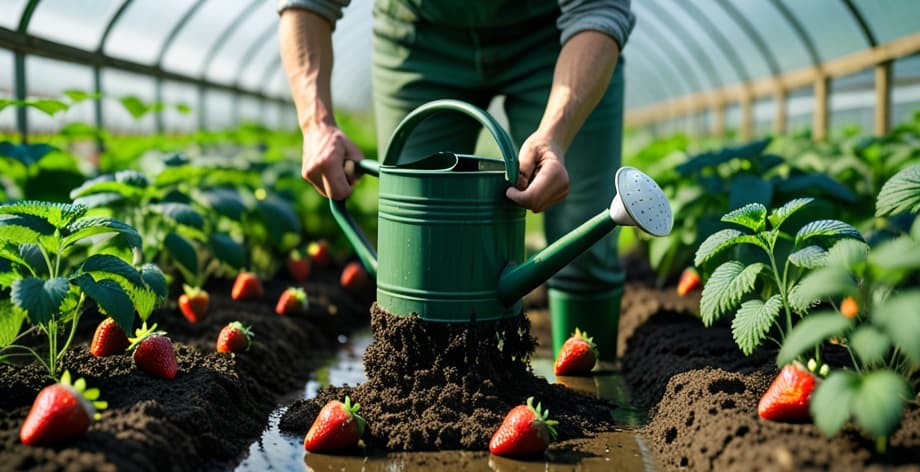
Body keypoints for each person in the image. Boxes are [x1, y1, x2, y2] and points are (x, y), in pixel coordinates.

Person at [278, 0, 635, 362]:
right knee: (416, 257)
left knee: (585, 241)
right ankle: (426, 389)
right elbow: (306, 4)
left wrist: (555, 136)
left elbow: (598, 10)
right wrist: (316, 123)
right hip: (419, 37)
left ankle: (592, 383)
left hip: (554, 37)